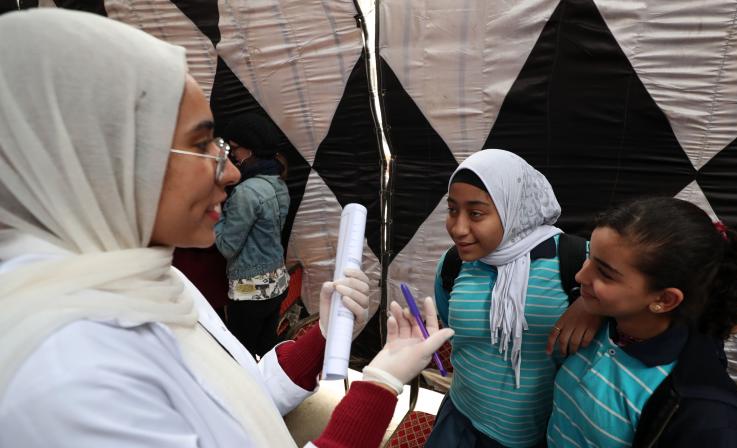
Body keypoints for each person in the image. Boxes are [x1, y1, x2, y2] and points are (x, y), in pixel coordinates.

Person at [0, 9, 453, 447]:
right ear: (102, 158)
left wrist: (324, 335)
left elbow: (242, 394)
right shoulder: (71, 376)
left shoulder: (150, 280)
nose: (230, 172)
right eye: (201, 144)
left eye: (221, 145)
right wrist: (379, 385)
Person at [546, 197, 737, 447]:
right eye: (590, 256)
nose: (581, 275)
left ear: (665, 300)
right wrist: (587, 303)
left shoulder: (706, 415)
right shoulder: (605, 319)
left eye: (604, 273)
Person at [425, 149, 602, 448]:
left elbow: (632, 299)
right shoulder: (453, 265)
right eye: (452, 209)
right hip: (460, 423)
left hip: (543, 434)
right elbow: (452, 328)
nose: (458, 228)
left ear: (514, 207)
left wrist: (591, 303)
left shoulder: (577, 263)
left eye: (476, 213)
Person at [215, 113, 291, 357]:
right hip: (277, 284)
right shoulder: (278, 182)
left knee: (240, 356)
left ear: (250, 150)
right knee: (265, 351)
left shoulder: (246, 193)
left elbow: (227, 246)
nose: (232, 155)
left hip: (250, 292)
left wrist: (215, 211)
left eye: (234, 148)